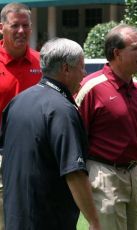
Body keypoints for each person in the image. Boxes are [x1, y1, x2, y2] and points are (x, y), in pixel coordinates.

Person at [0, 38, 101, 230]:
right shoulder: (63, 110)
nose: (84, 73)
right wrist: (94, 221)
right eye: (81, 67)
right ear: (66, 69)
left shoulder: (18, 102)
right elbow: (74, 172)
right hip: (47, 218)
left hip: (16, 216)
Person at [75, 24, 137, 230]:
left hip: (134, 174)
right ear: (117, 53)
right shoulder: (90, 88)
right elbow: (72, 138)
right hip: (104, 175)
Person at [0, 3, 42, 229]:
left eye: (25, 26)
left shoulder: (42, 63)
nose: (21, 31)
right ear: (1, 28)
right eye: (15, 25)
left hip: (36, 156)